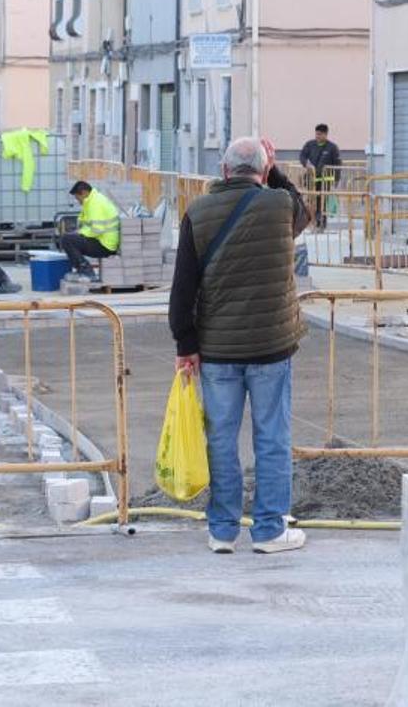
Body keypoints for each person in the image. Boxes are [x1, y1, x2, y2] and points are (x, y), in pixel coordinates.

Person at [169, 137, 308, 555]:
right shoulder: (280, 206)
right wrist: (276, 169)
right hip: (271, 347)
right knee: (272, 438)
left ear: (224, 171)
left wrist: (185, 342)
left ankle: (223, 530)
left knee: (221, 439)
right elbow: (304, 211)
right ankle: (268, 531)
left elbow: (182, 287)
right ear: (263, 172)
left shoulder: (197, 212)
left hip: (216, 351)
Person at [59, 180, 120, 281]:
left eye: (77, 197)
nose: (77, 201)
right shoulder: (91, 200)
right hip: (102, 240)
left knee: (67, 240)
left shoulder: (95, 203)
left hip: (105, 245)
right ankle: (81, 270)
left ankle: (86, 271)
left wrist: (80, 233)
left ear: (83, 193)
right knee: (70, 238)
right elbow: (85, 221)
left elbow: (97, 230)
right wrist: (77, 231)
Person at [299, 123, 342, 229]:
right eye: (316, 134)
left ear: (325, 134)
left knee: (321, 203)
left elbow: (338, 164)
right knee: (311, 201)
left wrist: (336, 180)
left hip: (325, 181)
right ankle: (312, 222)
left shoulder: (332, 148)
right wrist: (306, 164)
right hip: (311, 180)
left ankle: (321, 224)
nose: (317, 136)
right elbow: (302, 155)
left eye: (319, 134)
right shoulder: (310, 145)